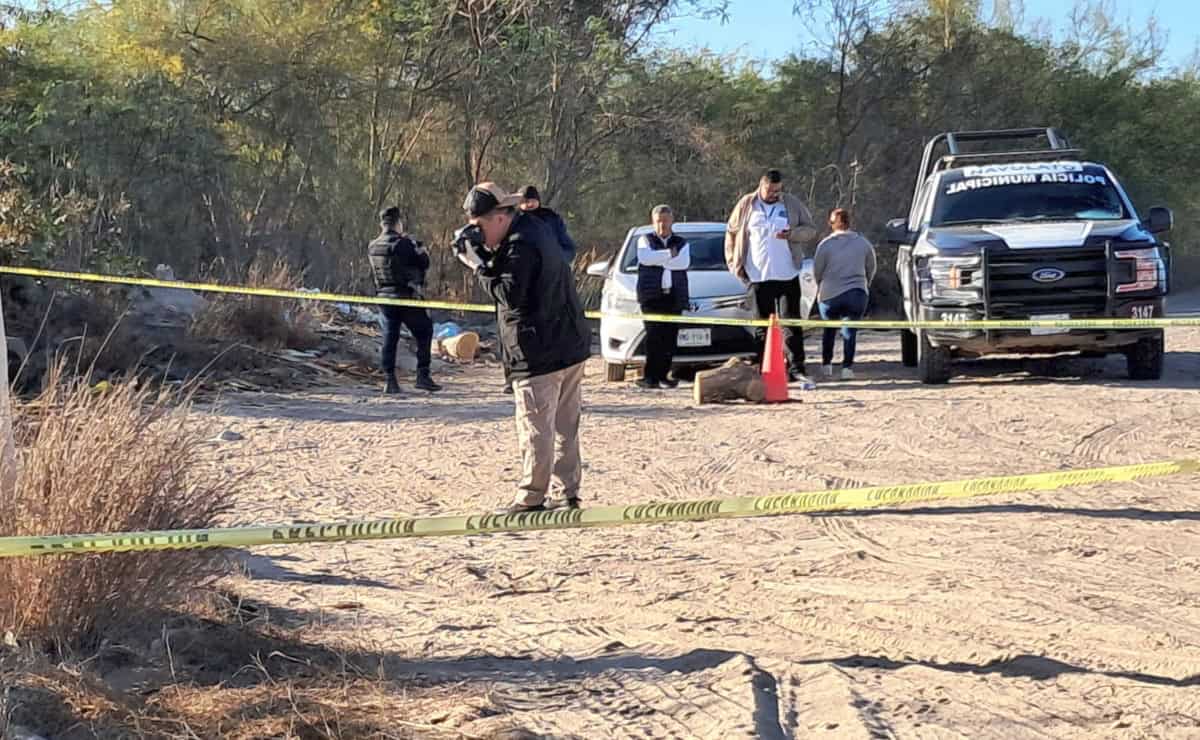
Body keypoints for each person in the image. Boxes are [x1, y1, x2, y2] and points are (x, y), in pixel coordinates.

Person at [454, 182, 591, 514]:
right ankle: (567, 492)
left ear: (500, 217)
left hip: (539, 350)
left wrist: (477, 264)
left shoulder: (520, 246)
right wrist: (487, 254)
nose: (477, 233)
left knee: (535, 427)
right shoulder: (535, 229)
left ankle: (531, 496)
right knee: (565, 425)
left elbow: (510, 294)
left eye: (480, 225)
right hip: (568, 342)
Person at [724, 169, 818, 382]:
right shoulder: (747, 204)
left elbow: (810, 230)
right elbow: (731, 233)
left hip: (787, 274)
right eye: (771, 190)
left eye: (778, 190)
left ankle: (796, 368)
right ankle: (763, 368)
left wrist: (792, 234)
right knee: (762, 326)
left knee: (791, 323)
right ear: (761, 185)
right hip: (757, 276)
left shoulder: (791, 203)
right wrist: (733, 263)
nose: (775, 194)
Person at [368, 207, 441, 394]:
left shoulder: (373, 246)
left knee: (389, 337)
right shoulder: (404, 243)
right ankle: (422, 376)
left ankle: (389, 380)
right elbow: (423, 262)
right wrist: (420, 248)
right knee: (424, 331)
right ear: (398, 223)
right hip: (406, 297)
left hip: (384, 298)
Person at [813, 208, 877, 380]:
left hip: (830, 294)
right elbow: (871, 267)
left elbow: (817, 270)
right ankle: (847, 368)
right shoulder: (863, 243)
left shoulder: (825, 245)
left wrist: (821, 285)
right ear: (850, 223)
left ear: (831, 224)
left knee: (829, 329)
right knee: (850, 331)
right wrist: (865, 283)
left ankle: (827, 365)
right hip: (856, 292)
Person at [635, 204, 690, 389]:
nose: (662, 225)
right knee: (653, 337)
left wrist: (658, 259)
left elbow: (682, 263)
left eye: (665, 221)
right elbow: (645, 258)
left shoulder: (682, 242)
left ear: (672, 221)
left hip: (673, 297)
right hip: (652, 297)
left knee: (669, 338)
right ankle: (650, 377)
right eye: (659, 221)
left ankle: (664, 376)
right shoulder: (645, 240)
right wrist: (668, 255)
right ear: (653, 222)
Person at [519, 185, 578, 264]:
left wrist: (557, 260)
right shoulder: (514, 220)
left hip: (551, 265)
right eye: (526, 201)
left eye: (533, 200)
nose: (530, 204)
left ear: (538, 200)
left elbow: (569, 248)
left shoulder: (551, 218)